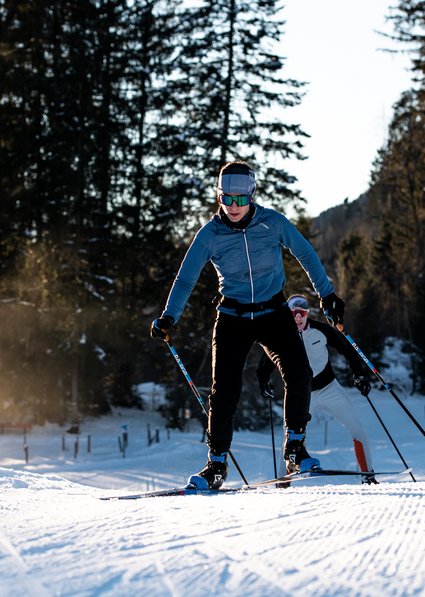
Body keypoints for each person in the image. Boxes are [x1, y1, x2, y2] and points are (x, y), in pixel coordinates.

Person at [150, 161, 344, 490]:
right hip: (233, 318)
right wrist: (170, 316)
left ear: (252, 196)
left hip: (273, 312)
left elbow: (306, 254)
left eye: (241, 200)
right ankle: (216, 465)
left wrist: (328, 294)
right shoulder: (209, 235)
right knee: (224, 392)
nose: (234, 207)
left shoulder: (273, 223)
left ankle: (295, 449)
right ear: (219, 197)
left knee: (299, 374)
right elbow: (186, 278)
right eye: (227, 199)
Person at [256, 293, 378, 484]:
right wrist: (264, 382)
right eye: (294, 313)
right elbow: (266, 363)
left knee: (358, 430)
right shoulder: (282, 336)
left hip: (330, 388)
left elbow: (348, 349)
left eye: (301, 313)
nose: (298, 318)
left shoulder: (321, 330)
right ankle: (283, 482)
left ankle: (368, 476)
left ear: (307, 313)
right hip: (303, 396)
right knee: (291, 438)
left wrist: (359, 375)